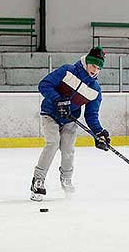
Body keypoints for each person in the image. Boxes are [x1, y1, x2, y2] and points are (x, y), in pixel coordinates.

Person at [30, 46, 111, 201]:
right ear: (87, 61)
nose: (95, 70)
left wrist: (98, 133)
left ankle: (66, 179)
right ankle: (38, 180)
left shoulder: (95, 90)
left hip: (70, 119)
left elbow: (91, 115)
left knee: (68, 150)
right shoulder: (68, 71)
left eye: (99, 67)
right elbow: (44, 85)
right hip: (50, 114)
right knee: (53, 143)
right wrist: (58, 100)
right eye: (93, 65)